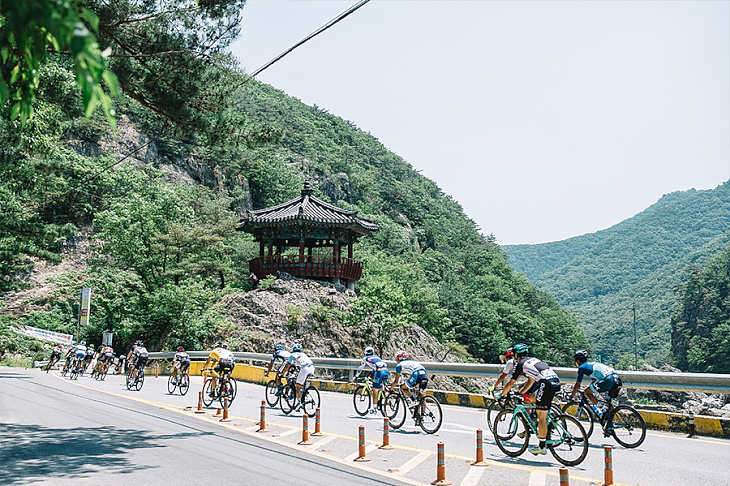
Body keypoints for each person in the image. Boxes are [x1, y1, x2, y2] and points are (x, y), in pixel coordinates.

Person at [497, 343, 560, 456]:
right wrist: (521, 392)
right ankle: (549, 419)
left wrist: (502, 394)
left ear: (516, 355)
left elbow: (511, 382)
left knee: (541, 416)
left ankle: (541, 446)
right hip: (555, 380)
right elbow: (531, 380)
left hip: (546, 384)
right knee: (532, 398)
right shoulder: (533, 360)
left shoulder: (520, 364)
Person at [570, 350, 622, 417]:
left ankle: (602, 409)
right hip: (617, 379)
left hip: (608, 380)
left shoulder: (582, 367)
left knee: (587, 392)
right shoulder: (593, 363)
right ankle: (611, 424)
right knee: (608, 403)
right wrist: (589, 387)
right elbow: (594, 380)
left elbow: (577, 385)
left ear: (578, 361)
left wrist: (571, 396)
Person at [353, 346, 390, 414]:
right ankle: (388, 396)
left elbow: (360, 368)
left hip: (379, 372)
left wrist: (355, 376)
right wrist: (370, 376)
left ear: (365, 353)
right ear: (373, 352)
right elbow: (375, 368)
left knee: (375, 389)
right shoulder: (377, 357)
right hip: (386, 370)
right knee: (381, 386)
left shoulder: (366, 358)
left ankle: (374, 408)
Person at [280, 343, 315, 411]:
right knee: (302, 382)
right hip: (311, 367)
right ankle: (305, 393)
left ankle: (299, 403)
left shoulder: (292, 355)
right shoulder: (303, 354)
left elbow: (287, 366)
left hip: (305, 368)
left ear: (293, 349)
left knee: (297, 386)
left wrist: (282, 374)